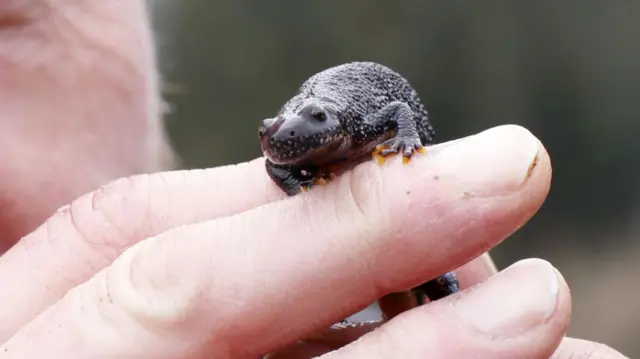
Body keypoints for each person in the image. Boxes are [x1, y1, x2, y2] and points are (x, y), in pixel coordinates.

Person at [0, 2, 628, 358]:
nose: (283, 146)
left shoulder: (356, 117)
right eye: (273, 136)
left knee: (430, 277)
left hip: (385, 135)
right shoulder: (295, 139)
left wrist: (405, 145)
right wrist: (299, 183)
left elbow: (396, 114)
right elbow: (279, 158)